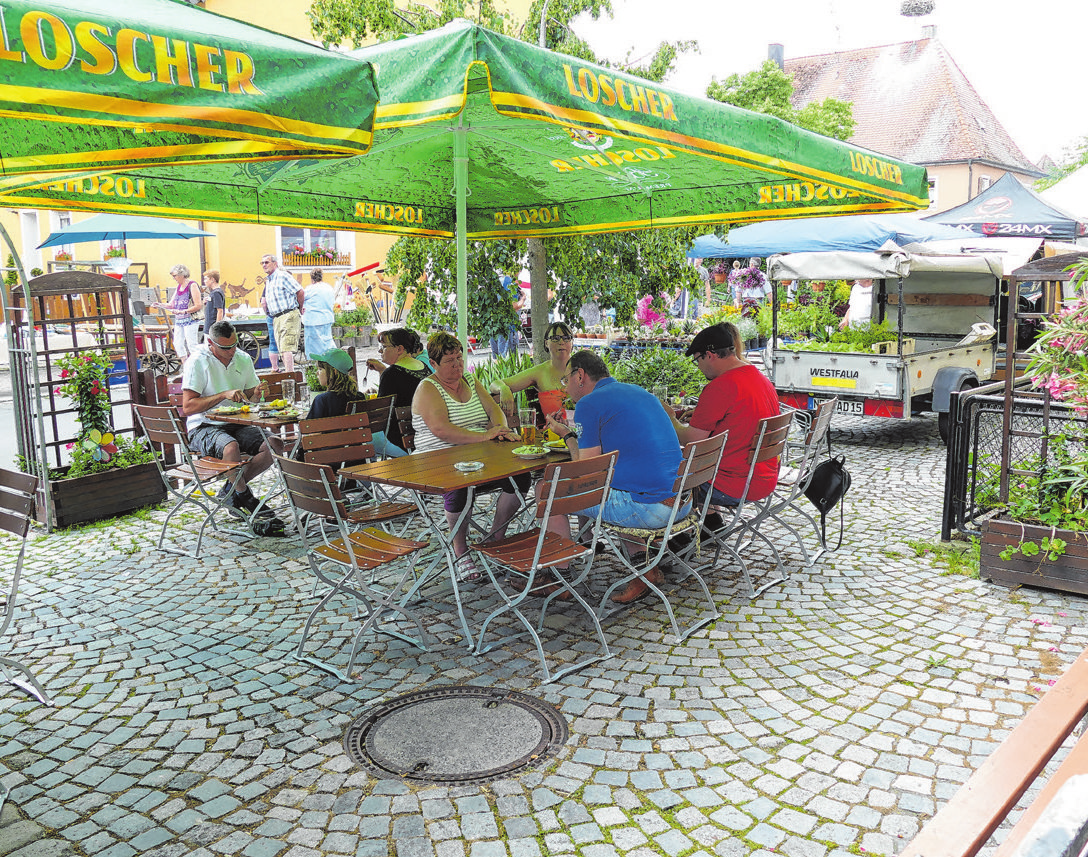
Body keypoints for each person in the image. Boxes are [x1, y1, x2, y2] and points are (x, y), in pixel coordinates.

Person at [542, 350, 688, 604]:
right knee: (615, 487)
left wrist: (567, 435)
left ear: (580, 376)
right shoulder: (640, 392)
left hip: (648, 508)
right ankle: (644, 570)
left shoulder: (589, 402)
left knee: (547, 491)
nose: (565, 389)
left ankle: (557, 579)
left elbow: (585, 470)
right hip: (681, 502)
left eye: (566, 380)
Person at [412, 332, 524, 577]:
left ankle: (495, 538)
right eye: (449, 360)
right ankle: (460, 551)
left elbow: (495, 412)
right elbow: (442, 430)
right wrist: (485, 436)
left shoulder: (471, 381)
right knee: (460, 484)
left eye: (459, 358)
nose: (457, 364)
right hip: (438, 463)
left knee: (520, 476)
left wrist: (500, 429)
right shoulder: (428, 388)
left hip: (477, 458)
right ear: (433, 364)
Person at [667, 322, 781, 514]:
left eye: (697, 361)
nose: (699, 368)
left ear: (709, 355)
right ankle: (712, 521)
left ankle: (666, 537)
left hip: (731, 484)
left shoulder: (721, 386)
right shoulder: (758, 377)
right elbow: (739, 416)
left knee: (657, 479)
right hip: (764, 478)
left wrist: (670, 418)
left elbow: (691, 441)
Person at [181, 320, 281, 520]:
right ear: (210, 342)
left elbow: (250, 397)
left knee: (275, 444)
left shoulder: (242, 358)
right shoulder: (198, 361)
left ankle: (231, 490)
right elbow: (188, 406)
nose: (231, 351)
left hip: (238, 422)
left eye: (234, 345)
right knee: (230, 447)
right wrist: (222, 395)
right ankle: (245, 496)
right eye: (225, 347)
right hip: (203, 425)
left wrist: (258, 392)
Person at [490, 320, 573, 424]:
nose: (561, 342)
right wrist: (503, 388)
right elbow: (494, 385)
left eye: (566, 338)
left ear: (572, 342)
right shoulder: (540, 372)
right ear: (546, 343)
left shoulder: (583, 368)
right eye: (555, 338)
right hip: (553, 436)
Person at [366, 328, 432, 454]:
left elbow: (381, 413)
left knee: (363, 439)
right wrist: (382, 371)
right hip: (424, 436)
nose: (380, 350)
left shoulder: (391, 374)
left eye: (384, 346)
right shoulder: (424, 367)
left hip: (400, 441)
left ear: (399, 349)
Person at [261, 253, 304, 372]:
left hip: (288, 314)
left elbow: (300, 292)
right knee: (281, 349)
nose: (264, 265)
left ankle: (290, 376)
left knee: (286, 347)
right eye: (262, 263)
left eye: (267, 262)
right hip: (277, 317)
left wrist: (300, 308)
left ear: (275, 263)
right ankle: (288, 375)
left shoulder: (282, 276)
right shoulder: (269, 281)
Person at [154, 264, 204, 362]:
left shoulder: (192, 285)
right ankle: (185, 365)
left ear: (182, 274)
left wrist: (183, 311)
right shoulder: (178, 287)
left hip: (191, 320)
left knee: (191, 344)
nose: (174, 278)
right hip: (179, 320)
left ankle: (198, 365)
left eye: (175, 276)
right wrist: (160, 305)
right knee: (177, 343)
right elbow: (172, 304)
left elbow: (198, 305)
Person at [302, 268, 335, 359]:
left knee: (313, 347)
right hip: (327, 318)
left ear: (311, 278)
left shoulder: (310, 289)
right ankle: (332, 362)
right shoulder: (328, 287)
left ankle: (315, 366)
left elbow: (301, 298)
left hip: (313, 320)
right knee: (327, 342)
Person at [202, 269, 225, 341]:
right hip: (209, 326)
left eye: (206, 279)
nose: (204, 281)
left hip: (212, 327)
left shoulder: (216, 293)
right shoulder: (214, 293)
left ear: (212, 279)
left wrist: (216, 327)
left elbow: (220, 311)